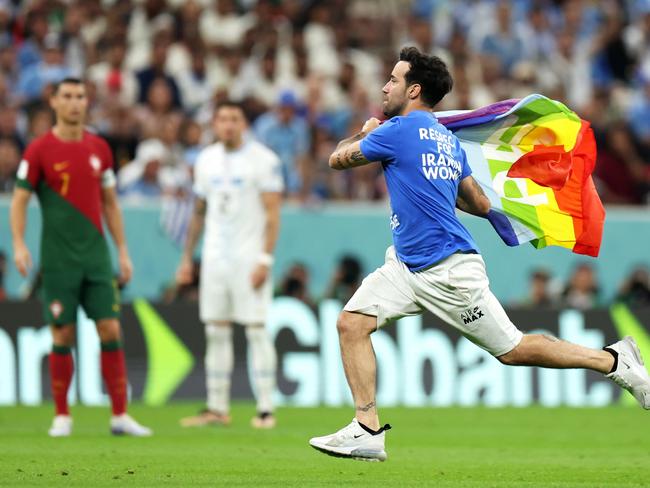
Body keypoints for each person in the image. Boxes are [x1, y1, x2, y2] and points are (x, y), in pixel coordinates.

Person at [308, 47, 650, 462]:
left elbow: (335, 159)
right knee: (351, 323)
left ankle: (613, 361)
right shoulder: (446, 140)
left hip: (447, 271)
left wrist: (365, 133)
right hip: (406, 264)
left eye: (394, 80)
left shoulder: (393, 132)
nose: (385, 86)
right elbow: (480, 204)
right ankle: (366, 429)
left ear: (414, 90)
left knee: (514, 350)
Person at [9, 78, 151, 438]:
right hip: (58, 259)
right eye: (67, 96)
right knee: (63, 333)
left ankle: (119, 415)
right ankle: (62, 415)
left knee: (111, 328)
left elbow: (111, 203)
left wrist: (123, 251)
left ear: (87, 102)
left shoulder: (99, 148)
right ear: (54, 102)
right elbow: (21, 200)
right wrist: (19, 244)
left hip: (97, 258)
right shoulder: (39, 150)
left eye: (80, 97)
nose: (74, 103)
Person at [176, 101, 283, 429]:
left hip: (249, 258)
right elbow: (199, 210)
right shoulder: (205, 159)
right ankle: (217, 408)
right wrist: (186, 258)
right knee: (216, 330)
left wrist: (265, 259)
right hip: (214, 258)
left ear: (243, 124)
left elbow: (273, 214)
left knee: (255, 329)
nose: (227, 125)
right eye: (221, 119)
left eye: (234, 119)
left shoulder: (264, 161)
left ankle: (266, 409)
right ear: (215, 123)